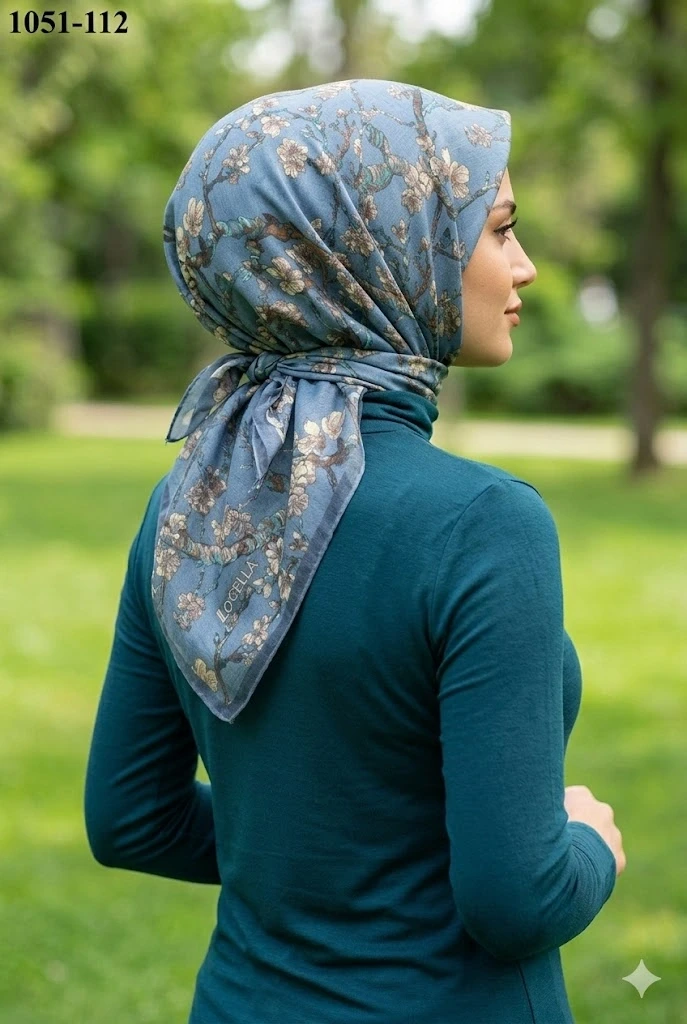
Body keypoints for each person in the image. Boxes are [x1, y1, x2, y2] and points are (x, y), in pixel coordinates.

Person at [84, 78, 626, 1024]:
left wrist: (306, 860)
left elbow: (133, 819)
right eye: (499, 229)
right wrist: (588, 844)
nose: (526, 266)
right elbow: (517, 901)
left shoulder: (184, 508)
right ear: (383, 248)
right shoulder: (483, 522)